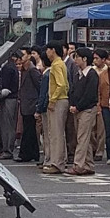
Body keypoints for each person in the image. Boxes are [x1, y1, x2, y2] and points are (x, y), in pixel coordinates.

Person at [68, 47, 99, 175]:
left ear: (85, 59)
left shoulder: (92, 74)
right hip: (77, 109)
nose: (75, 60)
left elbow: (90, 95)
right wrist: (72, 104)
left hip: (87, 109)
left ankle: (78, 165)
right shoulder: (78, 73)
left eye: (77, 57)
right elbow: (73, 91)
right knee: (83, 137)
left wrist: (78, 106)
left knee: (82, 138)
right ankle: (89, 164)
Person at [43, 42, 69, 175]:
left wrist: (52, 100)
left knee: (56, 134)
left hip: (58, 100)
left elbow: (61, 84)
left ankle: (57, 163)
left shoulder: (57, 65)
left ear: (53, 50)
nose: (47, 53)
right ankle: (58, 161)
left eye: (48, 50)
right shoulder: (59, 64)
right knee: (56, 133)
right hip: (61, 100)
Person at [17, 47, 42, 163]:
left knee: (29, 130)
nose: (20, 58)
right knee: (29, 130)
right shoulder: (24, 70)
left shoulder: (32, 70)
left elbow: (39, 86)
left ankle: (26, 153)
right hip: (25, 104)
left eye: (22, 55)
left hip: (31, 104)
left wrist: (37, 103)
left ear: (28, 57)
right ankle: (32, 153)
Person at [0, 54, 20, 160]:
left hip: (8, 98)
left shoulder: (7, 68)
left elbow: (4, 85)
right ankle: (7, 148)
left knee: (7, 125)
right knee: (9, 125)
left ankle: (7, 149)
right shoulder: (11, 66)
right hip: (12, 98)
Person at [93, 49, 110, 162]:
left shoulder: (107, 71)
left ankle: (99, 151)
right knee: (92, 129)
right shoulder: (92, 70)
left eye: (97, 58)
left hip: (104, 102)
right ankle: (93, 149)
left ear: (103, 60)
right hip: (93, 101)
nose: (95, 61)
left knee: (101, 130)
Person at [35, 54, 52, 168]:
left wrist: (39, 109)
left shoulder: (46, 75)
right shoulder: (52, 73)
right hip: (49, 106)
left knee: (47, 135)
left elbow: (43, 93)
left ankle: (48, 158)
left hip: (46, 107)